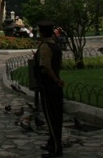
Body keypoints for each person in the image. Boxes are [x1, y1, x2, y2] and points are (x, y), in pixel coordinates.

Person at [34, 20, 64, 158]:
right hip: (55, 84)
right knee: (55, 116)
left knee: (51, 117)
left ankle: (56, 148)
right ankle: (52, 142)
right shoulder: (55, 45)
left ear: (41, 32)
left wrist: (55, 79)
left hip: (49, 85)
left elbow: (46, 67)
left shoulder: (46, 46)